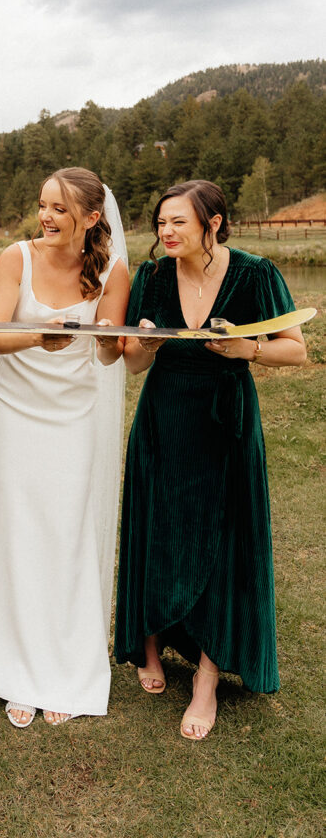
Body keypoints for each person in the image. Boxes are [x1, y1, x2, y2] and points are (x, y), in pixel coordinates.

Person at [112, 179, 306, 741]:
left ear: (213, 223)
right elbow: (130, 366)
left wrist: (249, 348)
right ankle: (148, 643)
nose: (166, 233)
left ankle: (207, 678)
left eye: (178, 222)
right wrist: (144, 344)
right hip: (164, 417)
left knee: (223, 539)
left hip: (227, 423)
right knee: (158, 527)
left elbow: (296, 348)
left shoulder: (254, 273)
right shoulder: (150, 277)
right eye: (161, 223)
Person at [0, 167, 129, 727]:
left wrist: (110, 341)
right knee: (18, 526)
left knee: (65, 529)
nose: (46, 217)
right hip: (19, 411)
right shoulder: (16, 258)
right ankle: (11, 666)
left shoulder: (113, 270)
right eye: (42, 205)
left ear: (91, 218)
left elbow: (105, 356)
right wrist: (38, 334)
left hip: (75, 413)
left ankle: (63, 662)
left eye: (58, 208)